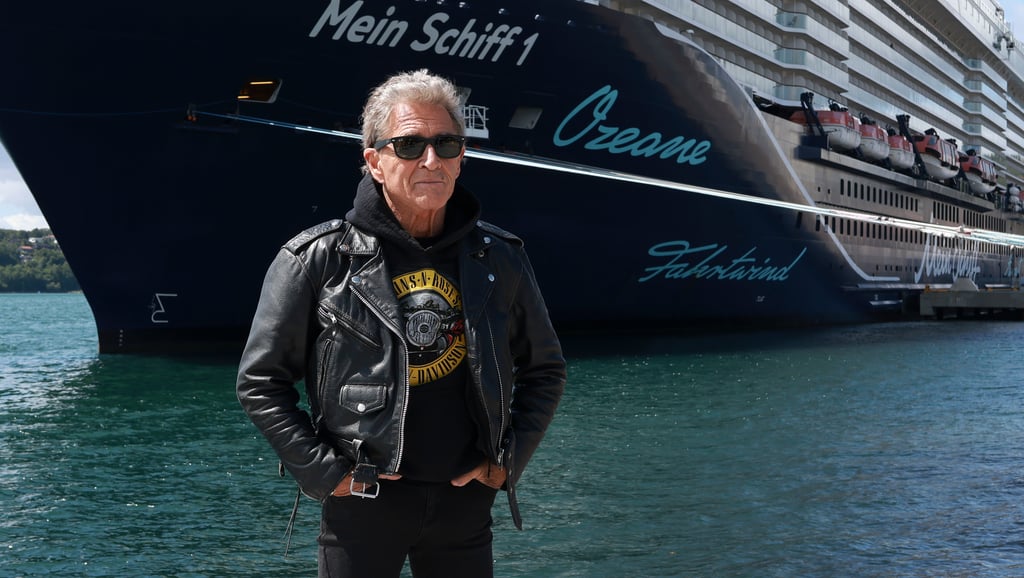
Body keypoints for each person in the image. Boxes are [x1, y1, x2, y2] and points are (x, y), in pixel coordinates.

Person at [235, 68, 567, 578]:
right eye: (410, 145)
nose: (431, 161)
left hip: (464, 507)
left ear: (462, 157)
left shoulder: (499, 258)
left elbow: (545, 369)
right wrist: (326, 473)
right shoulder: (317, 259)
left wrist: (506, 463)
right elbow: (260, 381)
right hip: (361, 505)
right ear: (374, 161)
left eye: (446, 144)